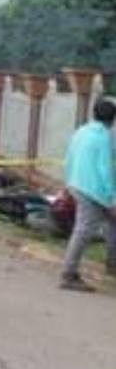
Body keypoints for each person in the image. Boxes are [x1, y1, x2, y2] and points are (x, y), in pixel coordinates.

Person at [58, 98, 116, 292]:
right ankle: (68, 274)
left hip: (77, 184)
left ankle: (112, 264)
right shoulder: (104, 138)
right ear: (112, 119)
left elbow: (69, 159)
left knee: (112, 223)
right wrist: (112, 199)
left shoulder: (81, 131)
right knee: (83, 231)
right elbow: (105, 170)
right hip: (92, 191)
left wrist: (66, 186)